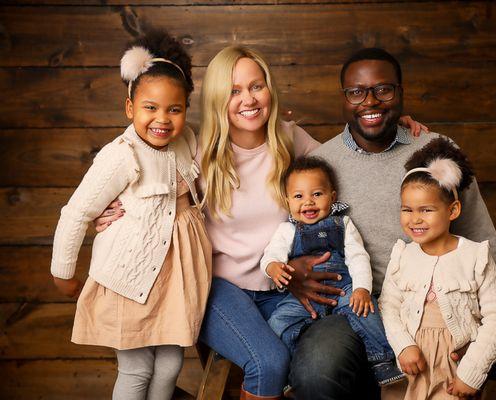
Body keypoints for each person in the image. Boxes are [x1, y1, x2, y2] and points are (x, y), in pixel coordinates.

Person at [95, 45, 426, 399]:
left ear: (270, 89)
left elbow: (347, 158)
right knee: (268, 362)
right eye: (234, 90)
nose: (248, 99)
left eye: (256, 86)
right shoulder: (194, 145)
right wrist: (111, 206)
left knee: (317, 366)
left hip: (281, 288)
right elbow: (139, 156)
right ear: (219, 98)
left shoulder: (290, 138)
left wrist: (394, 131)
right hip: (218, 288)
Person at [287, 47, 496, 400]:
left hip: (453, 301)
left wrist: (486, 339)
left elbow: (486, 244)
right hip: (363, 306)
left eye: (383, 89)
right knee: (315, 371)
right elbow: (297, 232)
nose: (370, 101)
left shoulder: (436, 150)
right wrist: (291, 270)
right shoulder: (321, 164)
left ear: (401, 93)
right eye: (357, 92)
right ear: (344, 98)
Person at [50, 30, 212, 400]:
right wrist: (63, 273)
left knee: (170, 366)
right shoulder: (121, 155)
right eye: (150, 108)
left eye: (174, 109)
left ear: (186, 109)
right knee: (137, 367)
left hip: (177, 277)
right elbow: (76, 212)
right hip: (131, 277)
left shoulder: (188, 139)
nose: (163, 119)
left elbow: (218, 158)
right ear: (130, 108)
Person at [379, 137, 496, 399]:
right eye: (407, 209)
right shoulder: (402, 256)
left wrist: (471, 373)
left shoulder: (476, 257)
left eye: (426, 210)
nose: (415, 219)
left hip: (454, 369)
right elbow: (389, 306)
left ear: (452, 210)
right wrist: (403, 346)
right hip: (408, 365)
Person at [261, 156, 404, 387]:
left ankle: (383, 362)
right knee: (277, 323)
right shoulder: (287, 230)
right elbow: (271, 254)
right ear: (288, 201)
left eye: (317, 194)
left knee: (367, 310)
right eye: (299, 196)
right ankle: (290, 368)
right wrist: (273, 267)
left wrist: (361, 289)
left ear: (332, 196)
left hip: (343, 288)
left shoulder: (343, 224)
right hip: (303, 296)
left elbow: (358, 257)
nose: (308, 202)